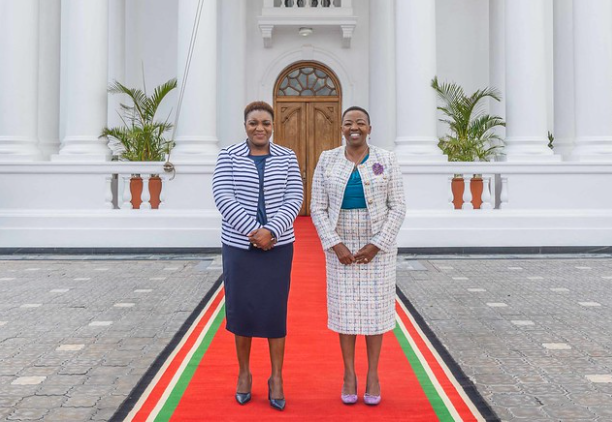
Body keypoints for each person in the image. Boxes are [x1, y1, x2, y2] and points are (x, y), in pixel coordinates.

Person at [310, 106, 406, 406]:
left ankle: (374, 374)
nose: (355, 127)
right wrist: (334, 243)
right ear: (341, 128)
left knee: (376, 312)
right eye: (349, 123)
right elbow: (317, 207)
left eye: (360, 123)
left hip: (378, 246)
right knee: (346, 311)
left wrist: (378, 243)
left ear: (369, 128)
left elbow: (398, 206)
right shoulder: (327, 159)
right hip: (341, 246)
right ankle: (349, 374)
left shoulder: (385, 159)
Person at [212, 101, 303, 411]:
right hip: (239, 247)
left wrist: (272, 232)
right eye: (253, 123)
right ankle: (244, 373)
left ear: (273, 125)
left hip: (278, 247)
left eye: (265, 122)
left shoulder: (287, 157)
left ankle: (276, 377)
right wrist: (254, 231)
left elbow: (295, 197)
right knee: (242, 310)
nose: (259, 128)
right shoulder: (228, 156)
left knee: (274, 311)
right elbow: (223, 196)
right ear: (245, 125)